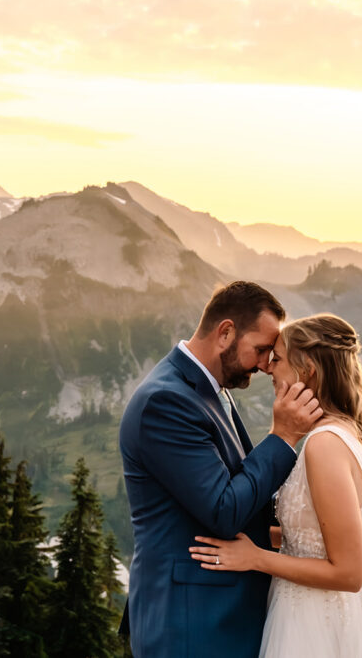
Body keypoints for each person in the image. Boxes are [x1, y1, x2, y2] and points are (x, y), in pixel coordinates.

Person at [189, 313, 362, 657]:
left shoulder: (325, 444)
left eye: (278, 359)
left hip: (318, 624)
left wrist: (256, 558)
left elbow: (348, 572)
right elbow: (319, 535)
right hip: (328, 613)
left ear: (308, 370)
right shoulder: (346, 432)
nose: (268, 368)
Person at [119, 281, 322, 658]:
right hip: (189, 623)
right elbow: (224, 510)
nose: (265, 364)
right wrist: (283, 436)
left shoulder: (209, 388)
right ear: (226, 332)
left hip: (216, 615)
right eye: (260, 350)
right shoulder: (166, 401)